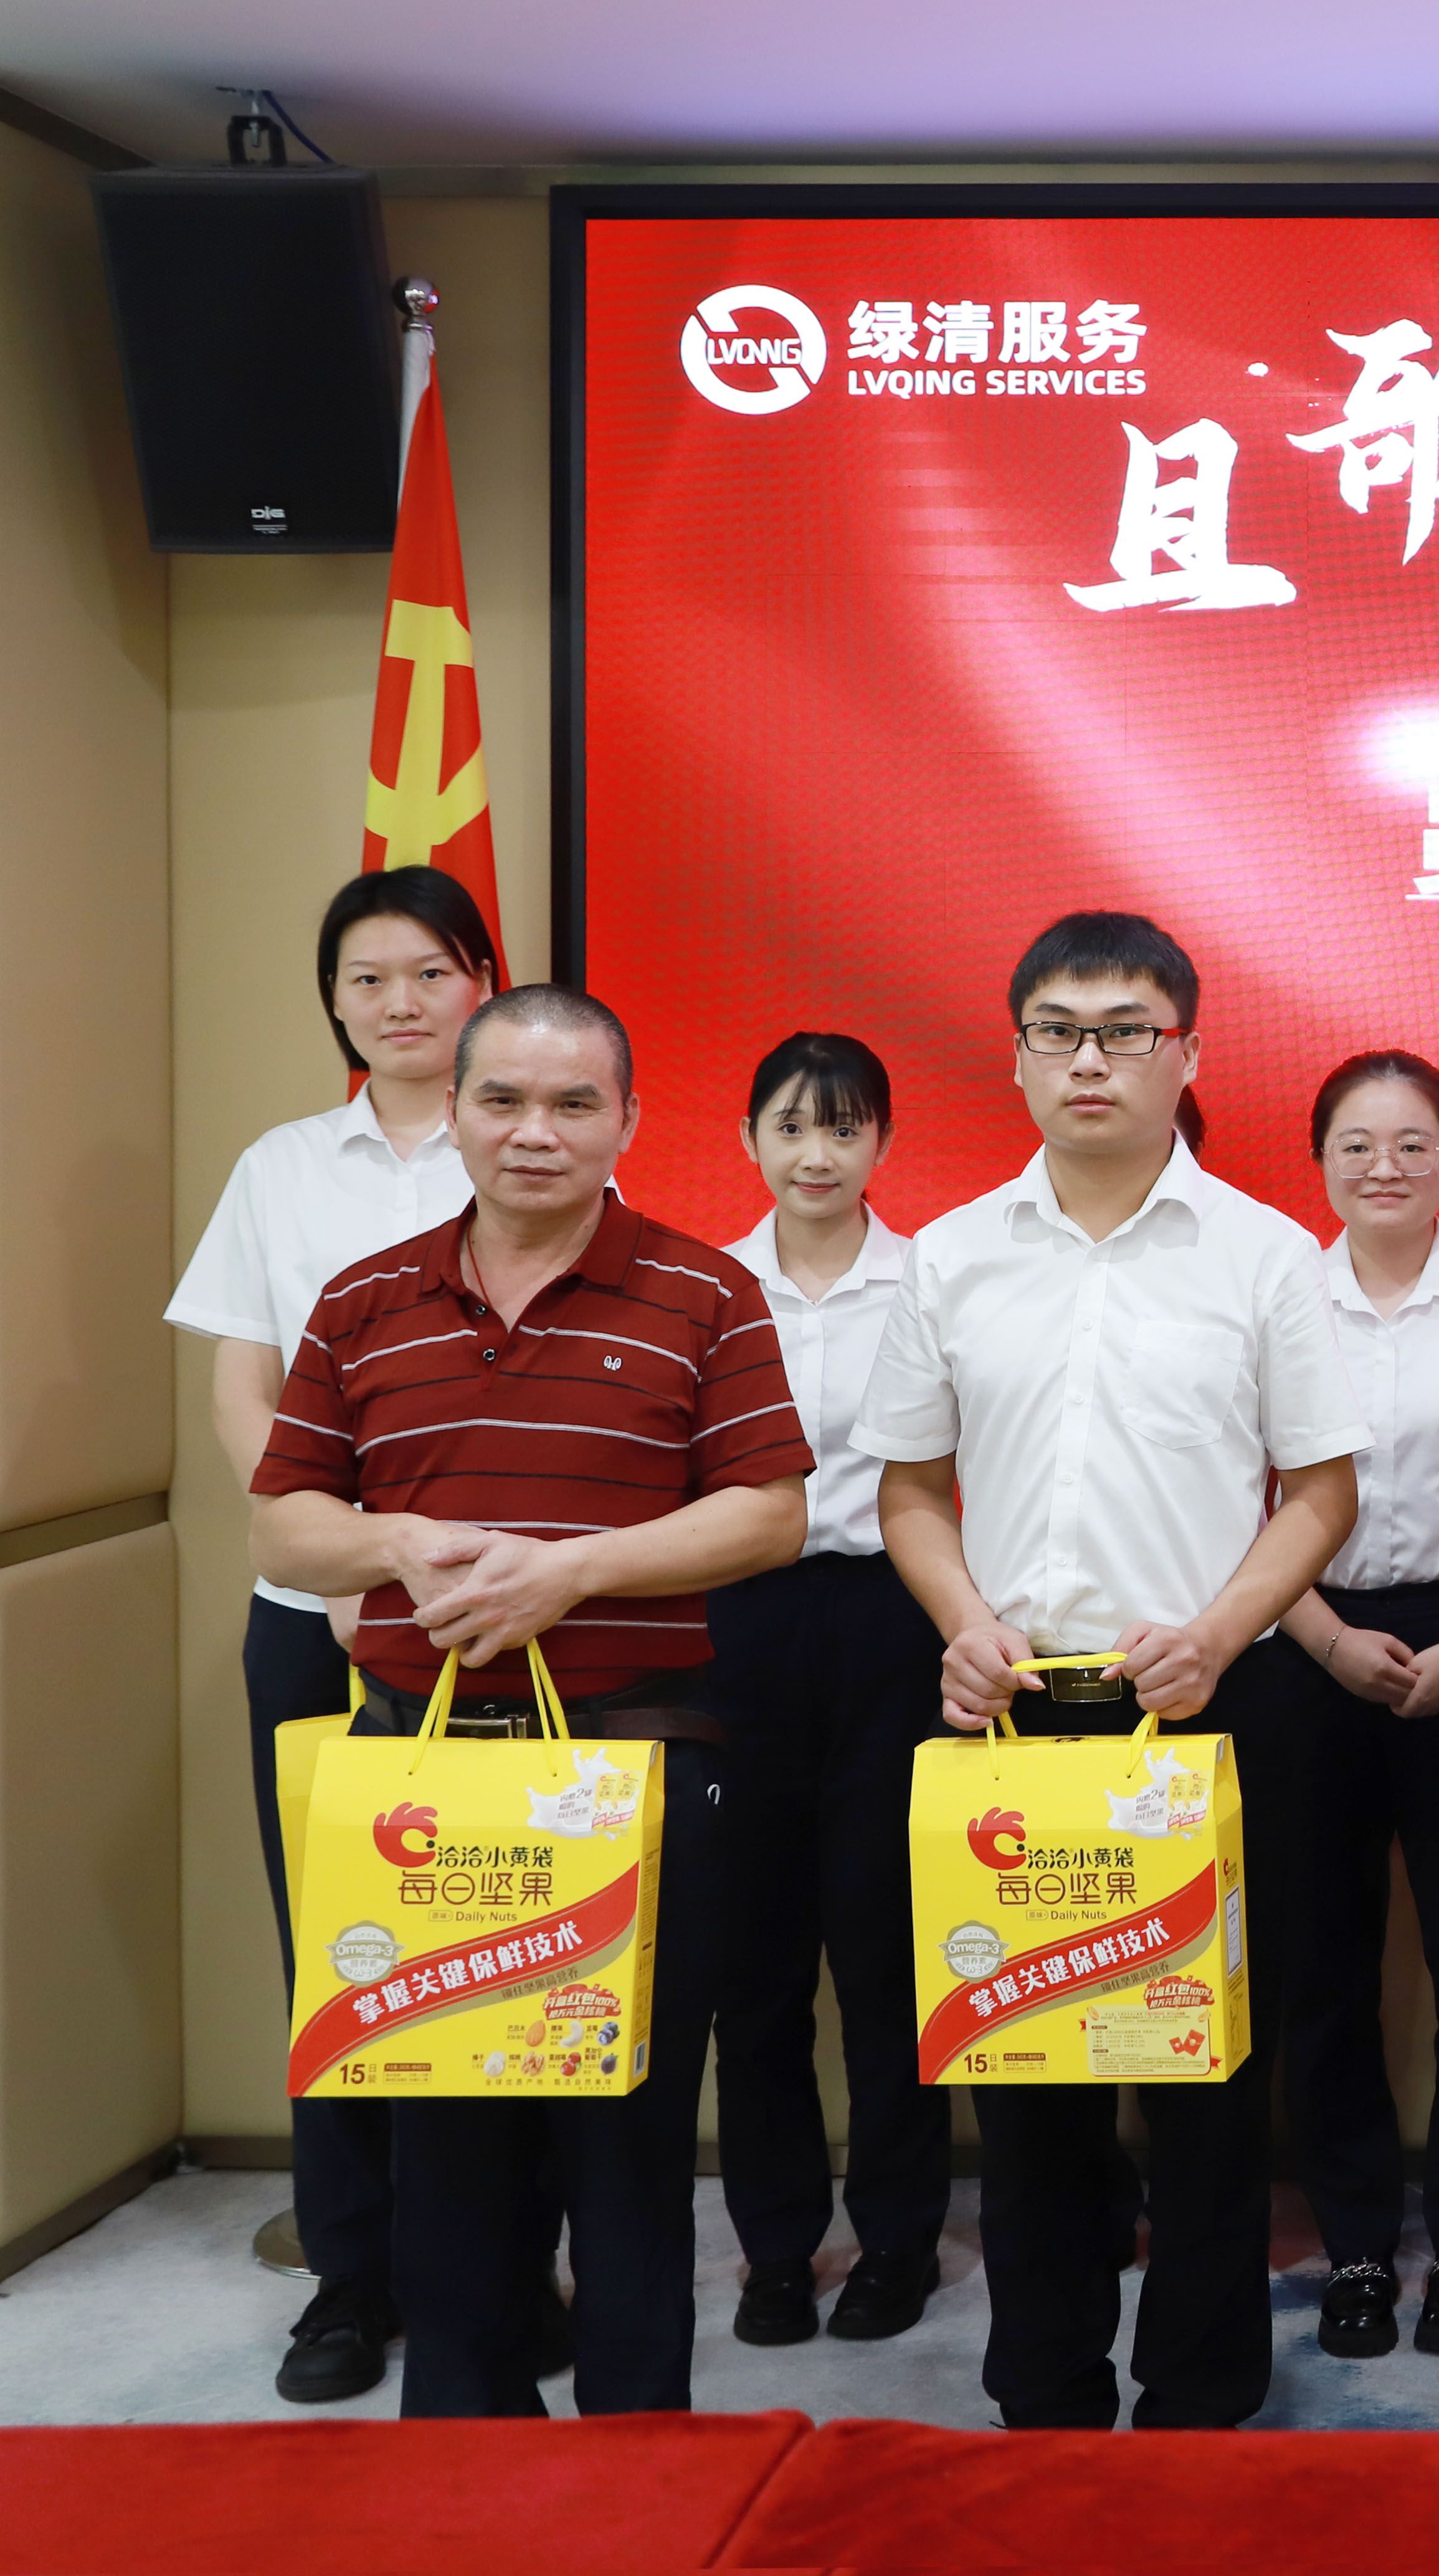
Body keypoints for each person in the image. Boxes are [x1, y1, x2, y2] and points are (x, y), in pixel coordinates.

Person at [249, 983, 815, 2417]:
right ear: (453, 1112)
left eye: (574, 1103)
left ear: (627, 1120)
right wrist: (395, 1543)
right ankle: (465, 2463)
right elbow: (283, 1528)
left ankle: (635, 2467)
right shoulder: (363, 1299)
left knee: (627, 2140)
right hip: (421, 1785)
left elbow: (769, 1514)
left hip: (632, 1774)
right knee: (444, 2146)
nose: (534, 1132)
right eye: (501, 1099)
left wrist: (570, 1574)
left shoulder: (705, 1292)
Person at [857, 911, 1369, 2431]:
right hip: (1014, 1715)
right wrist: (963, 1621)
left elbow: (1322, 1491)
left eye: (1128, 1030)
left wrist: (1218, 1629)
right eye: (1061, 1031)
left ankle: (1201, 2395)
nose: (1092, 1059)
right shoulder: (951, 1256)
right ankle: (1048, 2391)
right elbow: (910, 1490)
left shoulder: (1265, 1256)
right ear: (1019, 1057)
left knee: (1205, 2079)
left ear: (1185, 1053)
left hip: (1203, 1707)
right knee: (1026, 2082)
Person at [164, 867, 497, 2403]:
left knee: (495, 1942)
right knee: (344, 1952)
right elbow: (244, 1390)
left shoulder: (534, 1139)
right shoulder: (283, 1167)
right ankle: (349, 2281)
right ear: (336, 1005)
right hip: (317, 1617)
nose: (399, 1002)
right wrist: (343, 1552)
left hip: (504, 1620)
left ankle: (496, 2269)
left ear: (481, 982)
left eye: (428, 971)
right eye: (367, 979)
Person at [704, 1033, 951, 2350]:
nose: (817, 1154)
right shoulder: (703, 1287)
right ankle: (776, 2247)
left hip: (890, 1621)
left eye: (845, 1128)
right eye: (792, 1126)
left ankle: (898, 2240)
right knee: (755, 1965)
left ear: (882, 1143)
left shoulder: (930, 1282)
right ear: (750, 1138)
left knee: (886, 1955)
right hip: (737, 1626)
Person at [1275, 1051, 1439, 2364]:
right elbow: (1235, 1489)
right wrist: (1320, 1636)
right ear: (1320, 1161)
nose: (1386, 1167)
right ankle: (1359, 2245)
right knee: (1325, 1969)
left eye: (1414, 1143)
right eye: (1357, 1145)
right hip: (1310, 1637)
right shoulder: (1278, 1296)